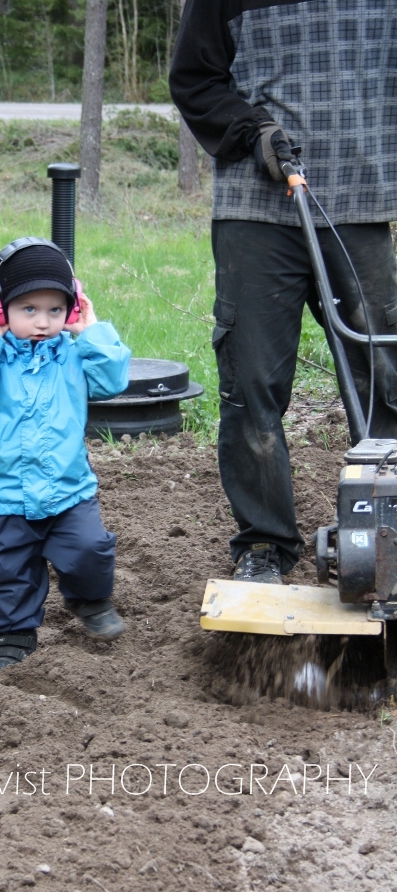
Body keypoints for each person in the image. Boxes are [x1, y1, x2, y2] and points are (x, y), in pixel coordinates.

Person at [170, 0, 397, 584]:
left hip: (363, 201)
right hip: (255, 206)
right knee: (251, 384)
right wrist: (252, 131)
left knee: (383, 377)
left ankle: (388, 531)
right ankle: (264, 544)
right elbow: (194, 78)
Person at [0, 238, 131, 678]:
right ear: (0, 307)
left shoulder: (75, 356)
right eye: (28, 309)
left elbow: (113, 380)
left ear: (72, 308)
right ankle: (15, 636)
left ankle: (90, 600)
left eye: (55, 310)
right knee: (8, 572)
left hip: (68, 489)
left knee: (89, 548)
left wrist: (91, 330)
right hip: (3, 493)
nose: (43, 322)